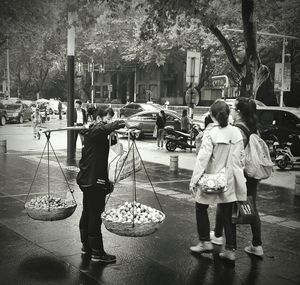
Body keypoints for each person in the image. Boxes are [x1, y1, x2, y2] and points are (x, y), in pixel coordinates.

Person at [189, 100, 247, 261]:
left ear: (213, 116)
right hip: (228, 180)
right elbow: (241, 159)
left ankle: (205, 242)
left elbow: (202, 159)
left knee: (200, 207)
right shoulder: (236, 133)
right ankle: (230, 251)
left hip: (211, 179)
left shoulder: (211, 133)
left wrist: (194, 180)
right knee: (228, 214)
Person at [212, 97, 264, 257]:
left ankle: (230, 248)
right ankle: (256, 244)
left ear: (239, 112)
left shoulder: (238, 130)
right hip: (252, 174)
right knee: (249, 206)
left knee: (229, 207)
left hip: (240, 175)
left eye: (233, 108)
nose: (231, 111)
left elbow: (233, 154)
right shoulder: (254, 127)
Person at [76, 108, 125, 263]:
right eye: (108, 118)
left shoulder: (94, 133)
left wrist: (114, 135)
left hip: (88, 179)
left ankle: (87, 247)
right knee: (95, 215)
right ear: (98, 118)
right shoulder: (96, 130)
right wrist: (121, 123)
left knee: (88, 212)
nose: (110, 122)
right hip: (94, 180)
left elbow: (111, 141)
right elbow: (104, 128)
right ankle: (97, 252)